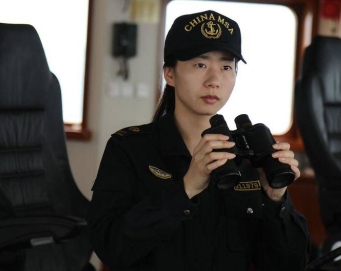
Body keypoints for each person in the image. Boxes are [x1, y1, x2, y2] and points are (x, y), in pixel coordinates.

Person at [87, 10, 310, 271]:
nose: (214, 81)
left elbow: (289, 265)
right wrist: (186, 188)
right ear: (169, 74)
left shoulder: (248, 158)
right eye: (200, 65)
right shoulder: (129, 149)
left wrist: (276, 201)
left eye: (226, 67)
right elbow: (110, 248)